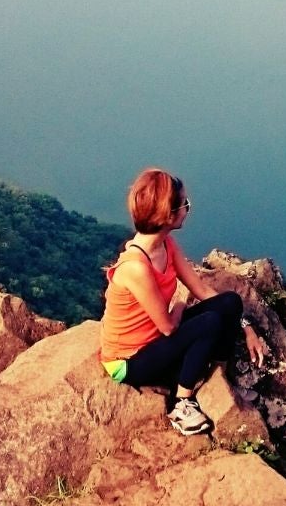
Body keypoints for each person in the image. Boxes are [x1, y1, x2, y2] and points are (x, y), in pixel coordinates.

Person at [99, 168, 270, 435]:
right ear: (168, 216)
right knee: (210, 322)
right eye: (185, 205)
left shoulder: (166, 245)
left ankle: (214, 373)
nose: (188, 210)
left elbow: (200, 288)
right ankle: (182, 404)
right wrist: (180, 303)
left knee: (230, 303)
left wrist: (247, 327)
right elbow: (168, 327)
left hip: (154, 341)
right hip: (129, 361)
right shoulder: (136, 266)